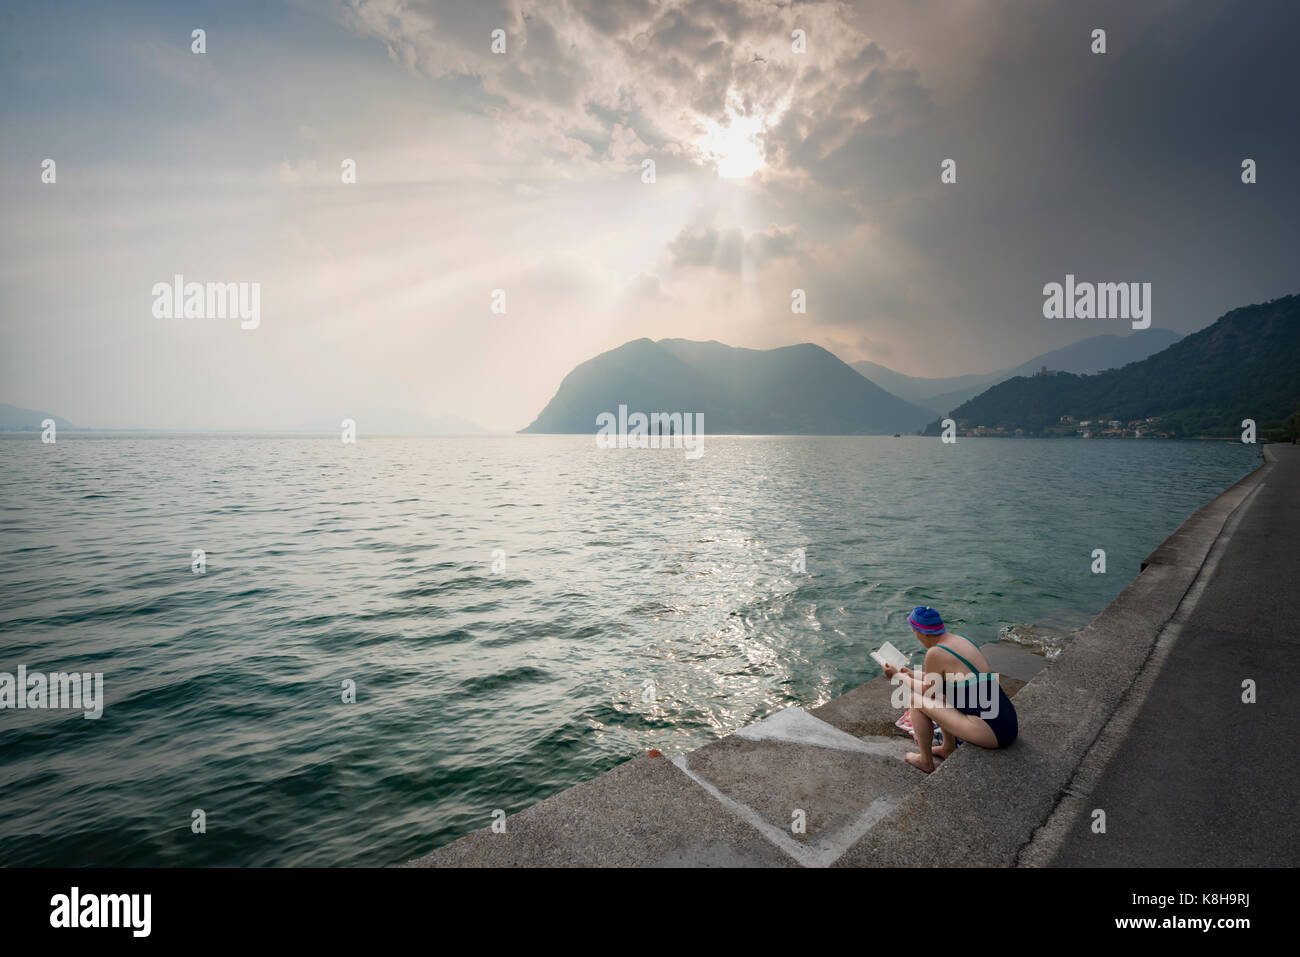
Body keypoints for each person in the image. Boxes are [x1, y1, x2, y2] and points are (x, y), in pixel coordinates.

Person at [881, 605, 1018, 772]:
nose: (916, 636)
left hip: (992, 734)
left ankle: (925, 761)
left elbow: (927, 691)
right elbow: (940, 680)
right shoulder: (960, 641)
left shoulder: (935, 653)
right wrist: (910, 673)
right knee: (943, 697)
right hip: (1007, 724)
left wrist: (896, 676)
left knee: (916, 701)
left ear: (922, 632)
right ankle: (947, 748)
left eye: (914, 632)